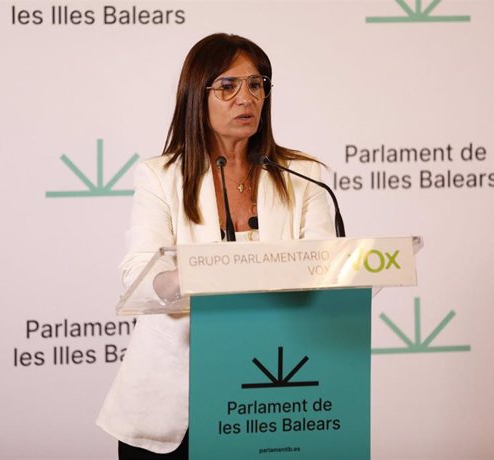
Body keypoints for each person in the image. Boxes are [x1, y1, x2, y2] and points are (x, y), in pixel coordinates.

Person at [96, 33, 335, 459]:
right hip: (176, 402)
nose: (246, 97)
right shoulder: (160, 176)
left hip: (275, 397)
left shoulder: (305, 175)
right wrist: (193, 275)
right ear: (196, 96)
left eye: (257, 84)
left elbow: (323, 270)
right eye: (228, 86)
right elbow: (139, 274)